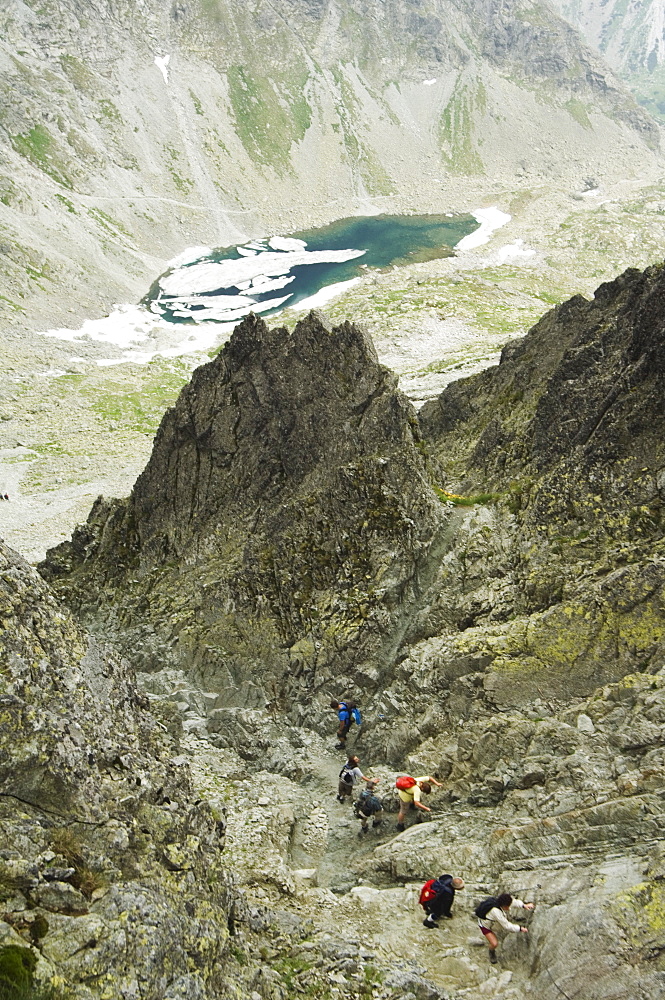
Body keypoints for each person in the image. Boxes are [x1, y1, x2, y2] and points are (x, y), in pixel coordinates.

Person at [476, 893, 535, 964]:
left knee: (498, 928)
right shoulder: (496, 912)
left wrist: (524, 905)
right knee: (494, 943)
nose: (509, 908)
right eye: (508, 906)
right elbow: (507, 926)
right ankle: (491, 951)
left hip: (493, 922)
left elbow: (514, 902)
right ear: (504, 906)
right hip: (485, 925)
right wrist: (520, 928)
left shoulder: (502, 901)